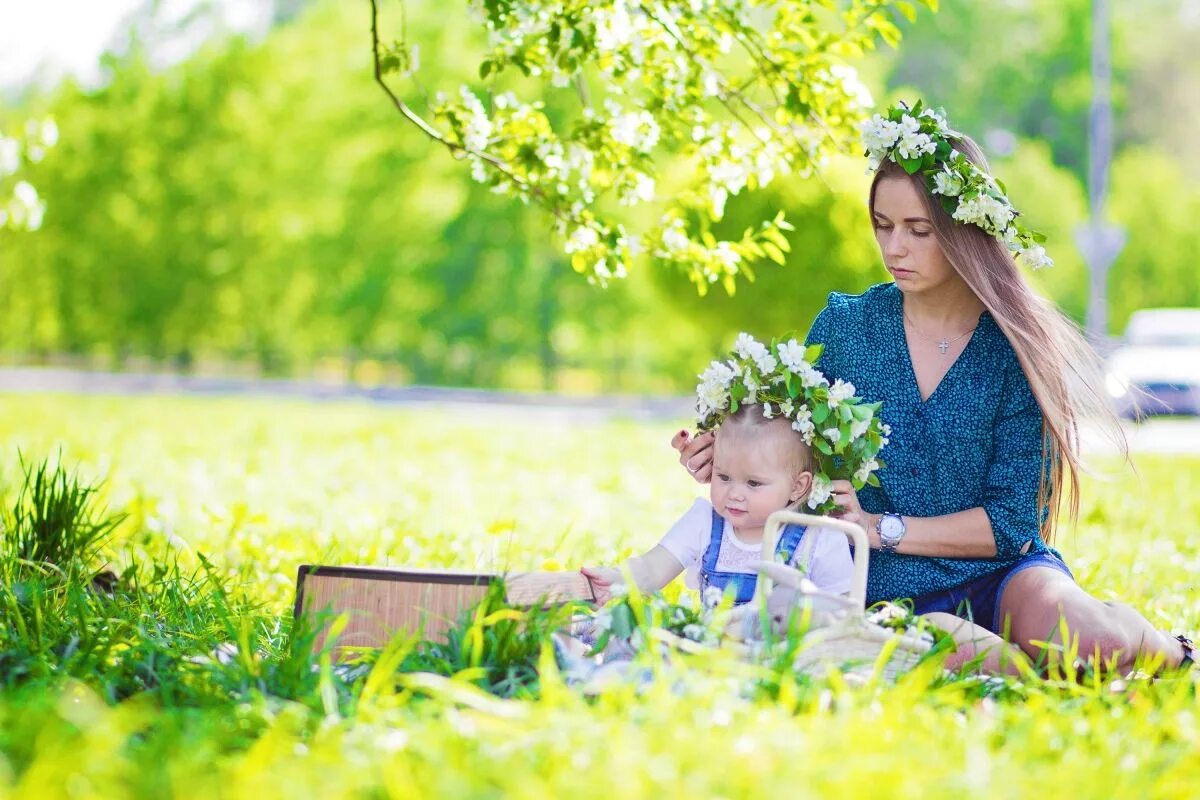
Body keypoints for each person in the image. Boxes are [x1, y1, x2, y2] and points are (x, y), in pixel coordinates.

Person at [675, 101, 1194, 674]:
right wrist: (725, 459)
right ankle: (1013, 665)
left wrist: (881, 528)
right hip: (873, 588)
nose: (894, 248)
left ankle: (1174, 649)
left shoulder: (1015, 347)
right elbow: (784, 450)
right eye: (883, 225)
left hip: (1003, 575)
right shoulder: (847, 328)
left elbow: (1011, 524)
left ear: (965, 228)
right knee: (974, 659)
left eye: (919, 230)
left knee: (1091, 641)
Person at [583, 332, 887, 609]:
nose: (734, 494)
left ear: (798, 486)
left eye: (754, 483)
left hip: (785, 660)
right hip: (717, 657)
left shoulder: (818, 536)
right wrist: (616, 580)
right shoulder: (705, 522)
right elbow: (651, 569)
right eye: (723, 477)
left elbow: (844, 610)